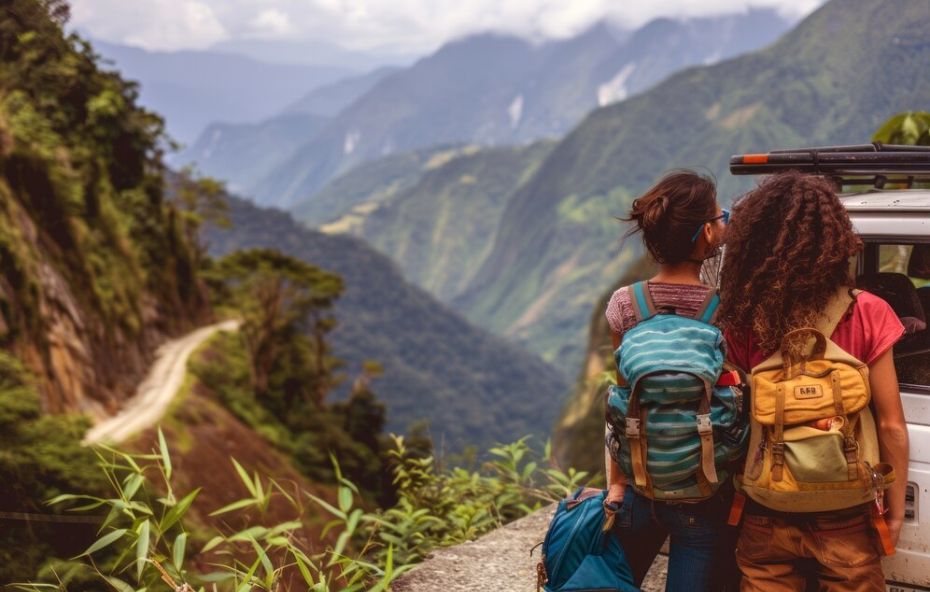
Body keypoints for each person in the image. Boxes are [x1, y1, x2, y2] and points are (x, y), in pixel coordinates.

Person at [718, 171, 909, 591]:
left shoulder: (745, 319)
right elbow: (892, 425)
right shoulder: (869, 312)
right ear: (835, 239)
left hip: (766, 506)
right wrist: (894, 515)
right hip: (847, 513)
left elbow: (734, 420)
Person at [603, 170, 738, 592]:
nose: (724, 224)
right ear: (706, 235)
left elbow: (624, 402)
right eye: (721, 218)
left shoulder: (625, 306)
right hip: (704, 494)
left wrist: (616, 487)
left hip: (639, 486)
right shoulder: (727, 310)